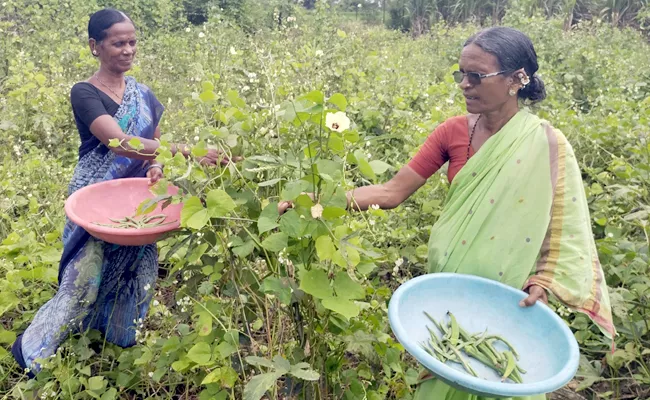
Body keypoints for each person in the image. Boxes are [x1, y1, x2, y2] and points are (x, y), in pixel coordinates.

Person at [280, 27, 615, 400]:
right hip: (448, 285)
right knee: (447, 369)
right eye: (461, 75)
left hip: (509, 294)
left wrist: (544, 280)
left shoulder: (547, 143)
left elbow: (565, 224)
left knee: (499, 375)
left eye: (477, 76)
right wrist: (315, 201)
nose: (464, 85)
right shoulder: (453, 132)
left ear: (516, 79)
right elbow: (391, 193)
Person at [11, 8, 237, 376]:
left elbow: (154, 145)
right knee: (84, 278)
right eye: (118, 43)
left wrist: (157, 168)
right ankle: (33, 351)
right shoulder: (84, 92)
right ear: (94, 47)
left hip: (138, 200)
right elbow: (119, 142)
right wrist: (190, 151)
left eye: (132, 42)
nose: (129, 49)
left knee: (136, 270)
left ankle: (114, 341)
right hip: (95, 199)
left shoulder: (144, 94)